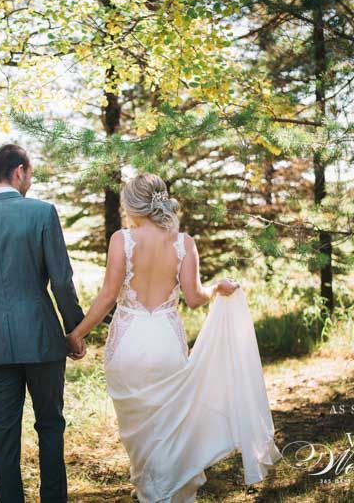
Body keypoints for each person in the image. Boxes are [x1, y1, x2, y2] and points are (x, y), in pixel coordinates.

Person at [65, 173, 281, 502]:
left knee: (139, 432)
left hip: (129, 344)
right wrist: (216, 288)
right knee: (169, 426)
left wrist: (76, 334)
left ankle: (151, 490)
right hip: (166, 343)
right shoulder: (184, 243)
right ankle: (167, 491)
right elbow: (194, 298)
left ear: (132, 205)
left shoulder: (121, 240)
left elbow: (107, 297)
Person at [0, 144, 86, 503]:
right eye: (31, 173)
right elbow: (61, 282)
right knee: (51, 426)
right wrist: (75, 330)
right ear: (20, 171)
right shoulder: (42, 213)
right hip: (42, 341)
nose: (31, 180)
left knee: (4, 435)